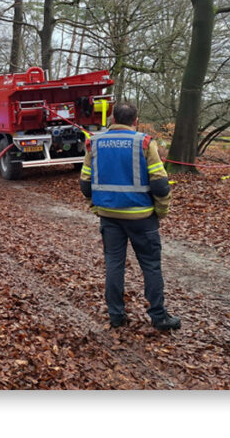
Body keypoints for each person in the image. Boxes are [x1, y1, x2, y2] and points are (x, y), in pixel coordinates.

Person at [79, 102, 180, 331]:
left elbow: (85, 184)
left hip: (109, 217)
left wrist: (95, 208)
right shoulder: (144, 142)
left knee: (114, 265)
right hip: (142, 218)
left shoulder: (94, 142)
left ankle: (116, 315)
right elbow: (160, 184)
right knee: (151, 266)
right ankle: (159, 317)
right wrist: (161, 211)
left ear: (113, 119)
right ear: (136, 121)